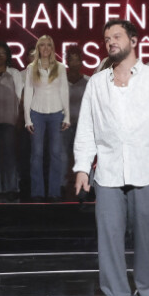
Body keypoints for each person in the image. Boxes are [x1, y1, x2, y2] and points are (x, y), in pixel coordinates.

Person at [74, 19, 149, 296]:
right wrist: (81, 166)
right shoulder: (97, 83)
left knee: (147, 238)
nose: (111, 42)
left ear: (133, 40)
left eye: (117, 36)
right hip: (106, 172)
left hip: (147, 168)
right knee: (109, 239)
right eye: (107, 38)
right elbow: (87, 129)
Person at [23, 35, 70, 201]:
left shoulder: (60, 67)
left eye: (48, 45)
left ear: (52, 48)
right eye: (42, 45)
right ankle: (37, 192)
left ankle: (54, 192)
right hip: (37, 112)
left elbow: (64, 91)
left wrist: (67, 116)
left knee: (56, 153)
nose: (45, 48)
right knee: (36, 154)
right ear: (38, 48)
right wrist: (27, 118)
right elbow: (28, 92)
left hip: (57, 113)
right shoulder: (31, 67)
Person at [0, 42, 23, 202]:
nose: (0, 56)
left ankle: (11, 187)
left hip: (9, 119)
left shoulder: (15, 73)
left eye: (3, 53)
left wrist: (20, 118)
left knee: (8, 154)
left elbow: (20, 97)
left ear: (7, 55)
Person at [61, 46, 88, 193]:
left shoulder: (87, 82)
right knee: (63, 156)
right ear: (67, 62)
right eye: (72, 60)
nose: (75, 63)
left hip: (82, 125)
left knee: (82, 156)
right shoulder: (60, 81)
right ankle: (62, 185)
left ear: (82, 62)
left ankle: (83, 186)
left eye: (78, 60)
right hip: (64, 124)